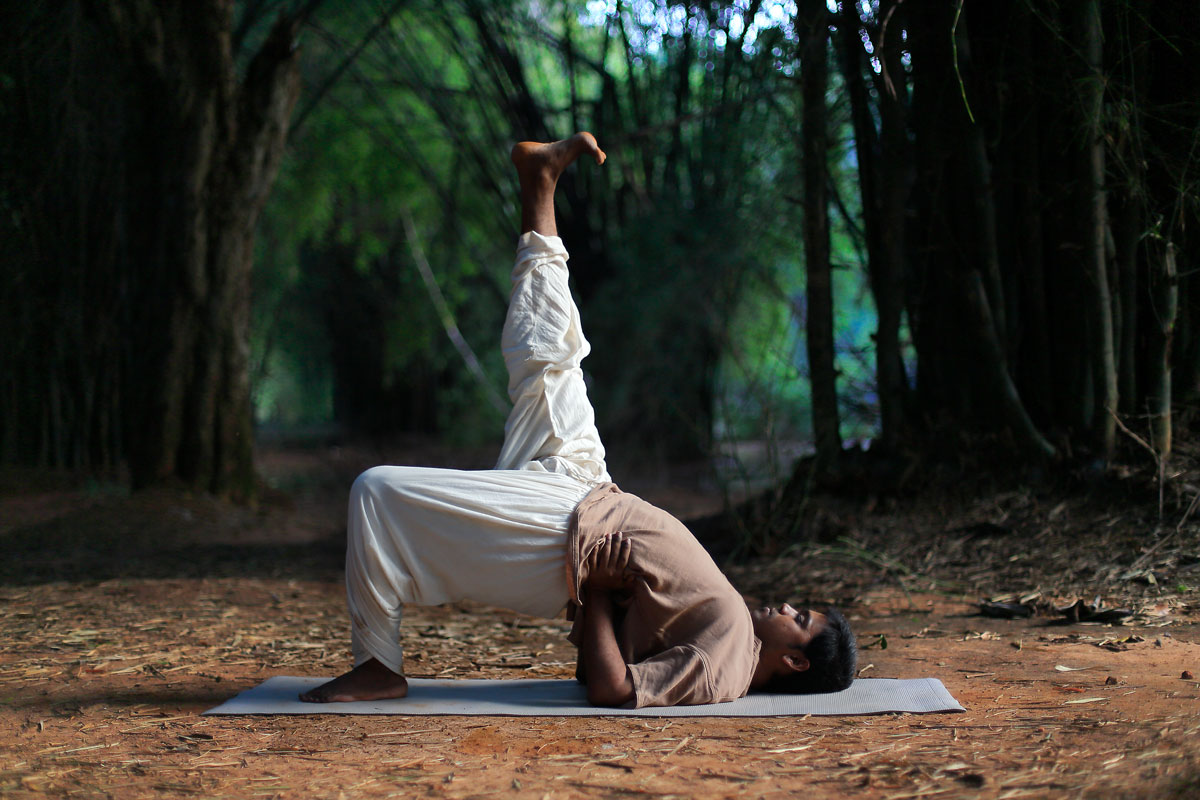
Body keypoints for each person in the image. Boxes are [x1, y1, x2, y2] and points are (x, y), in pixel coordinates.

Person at [300, 133, 856, 708]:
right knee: (549, 357)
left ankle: (376, 665)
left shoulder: (729, 663)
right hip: (587, 487)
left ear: (794, 659)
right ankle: (540, 183)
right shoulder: (733, 626)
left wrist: (593, 593)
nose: (787, 606)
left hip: (563, 536)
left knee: (376, 491)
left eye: (801, 618)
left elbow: (612, 689)